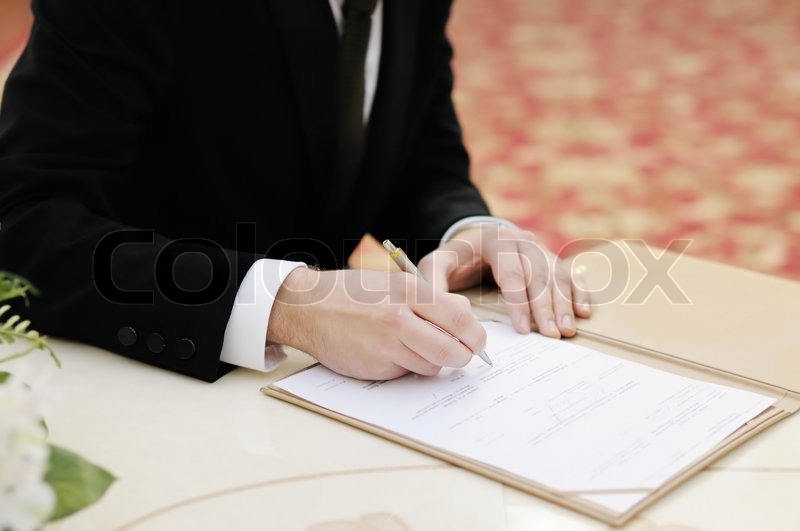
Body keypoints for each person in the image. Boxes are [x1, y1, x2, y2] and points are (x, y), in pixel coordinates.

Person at [0, 0, 590, 382]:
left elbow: (417, 160)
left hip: (333, 395)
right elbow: (21, 226)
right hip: (141, 378)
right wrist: (284, 305)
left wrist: (466, 230)